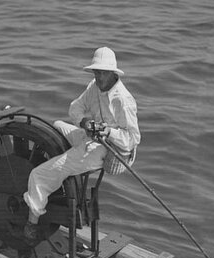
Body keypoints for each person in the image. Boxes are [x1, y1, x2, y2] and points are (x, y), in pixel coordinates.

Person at [22, 47, 140, 244]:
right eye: (96, 72)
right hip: (89, 137)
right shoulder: (94, 86)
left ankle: (32, 222)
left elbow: (132, 139)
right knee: (57, 126)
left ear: (112, 73)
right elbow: (75, 108)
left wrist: (107, 131)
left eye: (103, 73)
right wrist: (85, 122)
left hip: (105, 150)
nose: (99, 77)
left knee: (38, 175)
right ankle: (58, 176)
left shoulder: (123, 100)